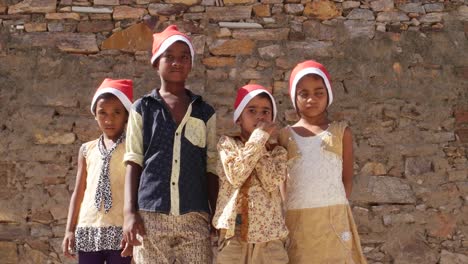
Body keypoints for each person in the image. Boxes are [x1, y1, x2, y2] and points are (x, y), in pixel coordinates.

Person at [122, 25, 217, 263]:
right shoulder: (142, 109)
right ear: (156, 62)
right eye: (169, 57)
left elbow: (211, 166)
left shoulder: (205, 112)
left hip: (194, 215)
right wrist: (129, 213)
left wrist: (215, 213)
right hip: (151, 215)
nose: (177, 62)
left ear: (191, 63)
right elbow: (134, 161)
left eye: (184, 57)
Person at [278, 60, 367, 263]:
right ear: (294, 97)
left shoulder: (341, 132)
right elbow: (281, 182)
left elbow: (347, 180)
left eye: (319, 92)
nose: (311, 99)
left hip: (333, 220)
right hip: (298, 222)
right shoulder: (285, 136)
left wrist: (332, 205)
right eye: (304, 94)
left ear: (328, 95)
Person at [213, 84, 289, 264]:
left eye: (265, 111)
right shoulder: (227, 144)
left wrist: (261, 141)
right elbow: (237, 175)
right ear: (239, 118)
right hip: (234, 236)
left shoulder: (278, 152)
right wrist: (258, 138)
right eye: (252, 110)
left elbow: (271, 182)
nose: (259, 116)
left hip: (270, 239)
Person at [62, 78, 134, 264]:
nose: (109, 119)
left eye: (116, 113)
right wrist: (70, 229)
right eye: (102, 113)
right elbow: (79, 192)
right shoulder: (87, 150)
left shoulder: (132, 148)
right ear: (95, 115)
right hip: (88, 228)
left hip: (120, 228)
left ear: (126, 116)